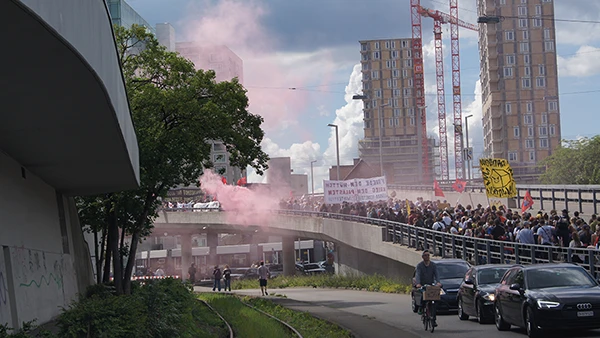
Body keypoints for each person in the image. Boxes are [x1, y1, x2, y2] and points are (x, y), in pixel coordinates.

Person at [415, 250, 442, 327]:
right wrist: (418, 283)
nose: (427, 257)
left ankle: (433, 320)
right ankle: (421, 307)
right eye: (425, 255)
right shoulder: (420, 266)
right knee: (423, 297)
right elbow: (418, 275)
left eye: (428, 255)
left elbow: (437, 274)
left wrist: (438, 282)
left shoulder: (433, 265)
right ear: (423, 257)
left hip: (430, 284)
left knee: (433, 302)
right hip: (423, 284)